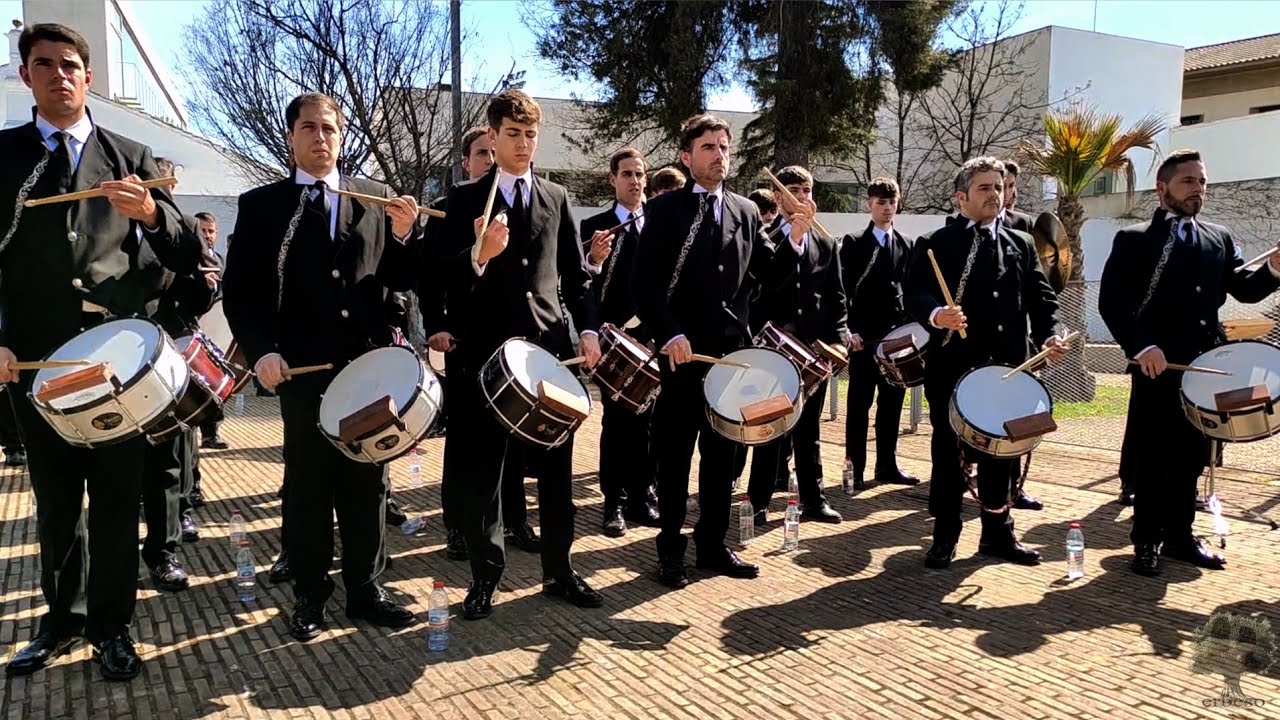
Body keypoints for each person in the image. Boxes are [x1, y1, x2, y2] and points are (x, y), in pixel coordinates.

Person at [1, 23, 202, 680]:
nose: (59, 74)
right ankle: (62, 621)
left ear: (89, 78)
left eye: (70, 65)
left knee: (118, 499)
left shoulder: (130, 155)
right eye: (44, 64)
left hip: (115, 361)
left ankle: (112, 628)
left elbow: (185, 252)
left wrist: (150, 214)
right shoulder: (2, 158)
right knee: (56, 501)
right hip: (37, 360)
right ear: (26, 75)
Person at [223, 92, 422, 641]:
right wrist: (261, 349)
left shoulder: (376, 197)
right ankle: (310, 594)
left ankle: (366, 589)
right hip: (301, 371)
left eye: (329, 129)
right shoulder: (262, 205)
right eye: (308, 128)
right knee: (308, 487)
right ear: (290, 137)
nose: (320, 138)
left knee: (369, 482)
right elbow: (240, 292)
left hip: (369, 369)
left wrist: (405, 235)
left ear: (341, 137)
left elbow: (401, 278)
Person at [426, 90, 605, 620]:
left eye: (530, 135)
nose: (523, 144)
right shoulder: (461, 201)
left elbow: (575, 278)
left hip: (550, 356)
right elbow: (437, 284)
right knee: (485, 476)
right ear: (493, 135)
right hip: (484, 359)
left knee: (556, 472)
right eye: (513, 134)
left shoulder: (557, 196)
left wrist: (590, 329)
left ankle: (559, 569)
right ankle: (485, 576)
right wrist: (477, 258)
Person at [633, 113, 812, 589]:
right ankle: (670, 549)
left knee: (721, 458)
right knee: (674, 457)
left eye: (724, 147)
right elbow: (644, 286)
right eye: (708, 147)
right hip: (682, 356)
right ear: (686, 156)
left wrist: (795, 235)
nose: (719, 155)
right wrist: (668, 333)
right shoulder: (666, 211)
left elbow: (768, 276)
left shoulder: (746, 212)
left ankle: (711, 544)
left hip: (731, 357)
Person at [1099, 149, 1280, 577]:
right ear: (1162, 189)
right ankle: (1145, 539)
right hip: (1158, 366)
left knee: (1192, 456)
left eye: (1201, 181)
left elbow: (1245, 289)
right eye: (1188, 182)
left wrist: (1273, 268)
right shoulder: (1135, 239)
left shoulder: (1219, 237)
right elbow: (1114, 303)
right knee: (1154, 455)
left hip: (1205, 365)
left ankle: (1180, 535)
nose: (1198, 189)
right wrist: (1142, 347)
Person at [903, 157, 1066, 570]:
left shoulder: (1021, 243)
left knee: (1004, 455)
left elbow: (1041, 299)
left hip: (1008, 369)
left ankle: (997, 535)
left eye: (999, 187)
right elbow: (914, 294)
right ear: (961, 198)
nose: (995, 194)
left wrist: (1051, 332)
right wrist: (937, 314)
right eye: (984, 189)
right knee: (949, 452)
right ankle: (945, 536)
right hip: (954, 366)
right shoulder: (934, 243)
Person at [745, 166, 844, 524]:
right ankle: (757, 501)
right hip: (774, 353)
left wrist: (840, 338)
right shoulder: (762, 236)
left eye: (807, 190)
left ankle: (814, 500)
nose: (802, 197)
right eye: (794, 190)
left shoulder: (826, 242)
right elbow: (758, 291)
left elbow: (835, 296)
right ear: (778, 196)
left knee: (809, 430)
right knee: (770, 428)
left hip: (814, 349)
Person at [579, 147, 661, 537]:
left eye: (640, 174)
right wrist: (594, 259)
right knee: (616, 423)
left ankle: (642, 497)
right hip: (613, 341)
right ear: (613, 180)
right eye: (626, 174)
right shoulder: (595, 226)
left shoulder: (660, 224)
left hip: (654, 339)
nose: (634, 181)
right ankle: (613, 503)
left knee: (648, 423)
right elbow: (581, 286)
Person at [840, 177, 920, 490]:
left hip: (895, 339)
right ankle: (854, 470)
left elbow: (911, 290)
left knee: (892, 403)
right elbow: (843, 289)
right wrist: (850, 330)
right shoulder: (854, 241)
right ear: (869, 204)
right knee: (859, 405)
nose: (887, 208)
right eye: (880, 203)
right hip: (864, 339)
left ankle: (887, 465)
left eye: (891, 202)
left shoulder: (906, 243)